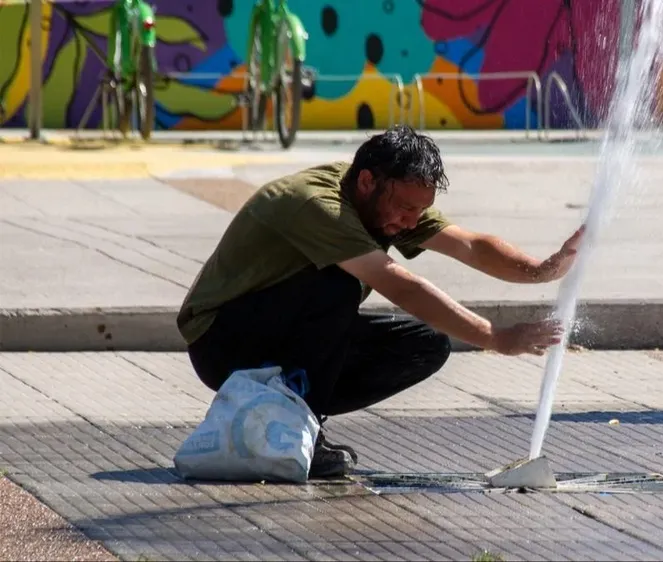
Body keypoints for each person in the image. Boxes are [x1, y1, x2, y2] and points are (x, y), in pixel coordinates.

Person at [177, 125, 583, 477]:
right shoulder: (317, 205)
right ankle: (299, 427)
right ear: (368, 182)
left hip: (278, 331)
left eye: (421, 210)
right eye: (406, 208)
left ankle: (291, 419)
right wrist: (495, 337)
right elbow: (401, 286)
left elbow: (470, 246)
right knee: (338, 284)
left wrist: (544, 269)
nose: (411, 221)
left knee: (425, 345)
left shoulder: (385, 201)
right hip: (220, 341)